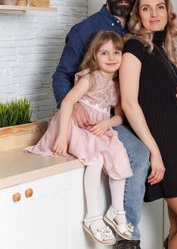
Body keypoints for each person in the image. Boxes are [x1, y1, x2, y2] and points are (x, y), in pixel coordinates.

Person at [52, 0, 177, 249]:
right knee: (139, 155)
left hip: (157, 126)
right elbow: (66, 75)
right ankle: (129, 237)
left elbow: (162, 91)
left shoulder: (156, 42)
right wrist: (72, 111)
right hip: (113, 116)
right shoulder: (106, 36)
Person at [119, 0, 177, 249]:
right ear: (138, 14)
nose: (154, 13)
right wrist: (154, 151)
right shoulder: (134, 47)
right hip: (166, 147)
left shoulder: (162, 50)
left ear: (169, 13)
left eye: (160, 7)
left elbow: (168, 99)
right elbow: (129, 102)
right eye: (146, 8)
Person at [25, 30, 134, 246]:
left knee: (120, 155)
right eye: (104, 53)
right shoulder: (90, 78)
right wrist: (62, 137)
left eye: (116, 52)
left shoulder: (118, 85)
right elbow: (67, 103)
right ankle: (92, 216)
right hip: (75, 126)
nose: (111, 58)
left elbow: (120, 117)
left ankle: (116, 210)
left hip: (98, 128)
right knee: (96, 159)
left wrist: (106, 123)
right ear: (95, 56)